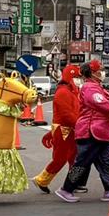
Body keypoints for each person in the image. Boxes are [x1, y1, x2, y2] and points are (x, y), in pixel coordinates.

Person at [55, 60, 109, 203]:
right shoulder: (90, 88)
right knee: (82, 162)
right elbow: (103, 104)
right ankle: (66, 189)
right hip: (91, 131)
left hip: (102, 130)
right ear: (92, 73)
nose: (102, 72)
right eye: (100, 70)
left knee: (107, 161)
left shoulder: (97, 87)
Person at [32, 64, 82, 194]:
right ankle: (41, 180)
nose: (78, 80)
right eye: (76, 77)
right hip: (64, 130)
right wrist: (80, 125)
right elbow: (66, 115)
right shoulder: (63, 92)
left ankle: (73, 183)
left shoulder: (72, 92)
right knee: (60, 159)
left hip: (71, 129)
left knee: (75, 158)